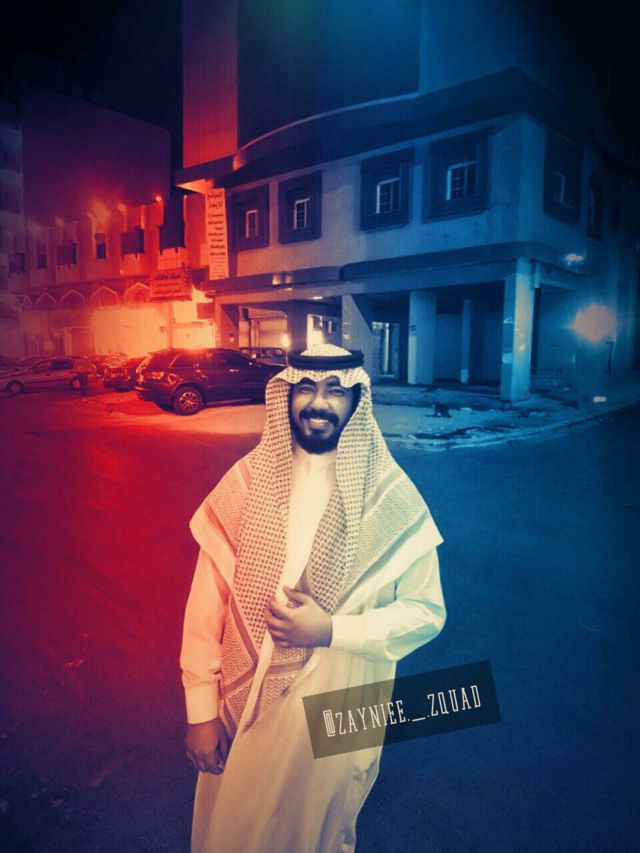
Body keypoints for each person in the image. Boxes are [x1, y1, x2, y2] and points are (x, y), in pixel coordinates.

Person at [180, 343, 446, 853]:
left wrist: (331, 631)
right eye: (306, 387)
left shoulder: (390, 498)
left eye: (335, 391)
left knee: (315, 837)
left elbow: (425, 612)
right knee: (233, 831)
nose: (318, 402)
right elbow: (205, 609)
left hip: (340, 713)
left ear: (356, 402)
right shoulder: (245, 484)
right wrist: (200, 711)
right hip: (250, 708)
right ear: (286, 395)